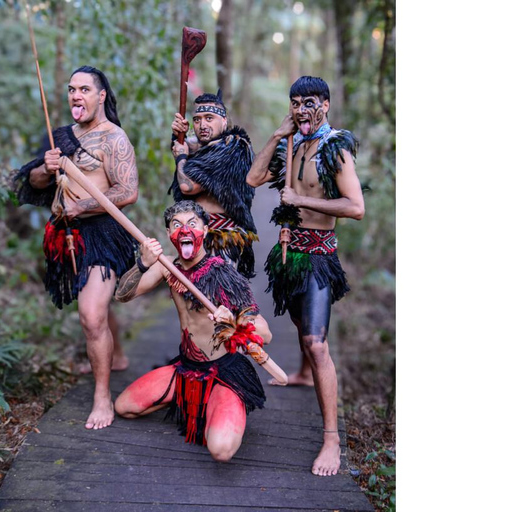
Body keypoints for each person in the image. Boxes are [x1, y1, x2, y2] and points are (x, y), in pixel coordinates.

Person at [246, 76, 365, 477]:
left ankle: (331, 438)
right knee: (301, 327)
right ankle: (300, 372)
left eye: (309, 102)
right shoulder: (290, 142)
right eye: (295, 103)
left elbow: (355, 206)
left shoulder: (336, 149)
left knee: (316, 343)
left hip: (318, 256)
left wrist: (301, 199)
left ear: (326, 105)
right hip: (287, 256)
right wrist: (277, 135)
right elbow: (253, 178)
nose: (301, 110)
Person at [12, 66, 139, 430]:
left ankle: (102, 397)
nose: (75, 96)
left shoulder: (114, 138)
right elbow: (34, 180)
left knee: (91, 314)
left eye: (84, 89)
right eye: (71, 89)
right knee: (92, 305)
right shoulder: (61, 136)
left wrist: (83, 206)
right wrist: (46, 167)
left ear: (101, 96)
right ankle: (117, 355)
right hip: (65, 234)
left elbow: (127, 191)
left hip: (102, 232)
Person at [113, 200, 272, 462]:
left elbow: (265, 333)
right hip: (186, 368)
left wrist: (234, 320)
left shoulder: (223, 274)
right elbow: (122, 295)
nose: (184, 230)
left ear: (206, 230)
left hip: (224, 371)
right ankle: (190, 400)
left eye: (192, 224)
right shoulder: (167, 267)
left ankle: (226, 402)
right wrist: (142, 263)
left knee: (220, 450)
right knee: (124, 407)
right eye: (176, 225)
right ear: (168, 234)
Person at [169, 90, 259, 279]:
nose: (202, 125)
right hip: (195, 238)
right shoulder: (207, 147)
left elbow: (188, 186)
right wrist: (178, 136)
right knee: (194, 304)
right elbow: (194, 145)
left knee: (220, 302)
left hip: (221, 241)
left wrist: (181, 157)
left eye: (209, 118)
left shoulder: (233, 147)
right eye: (197, 119)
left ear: (224, 121)